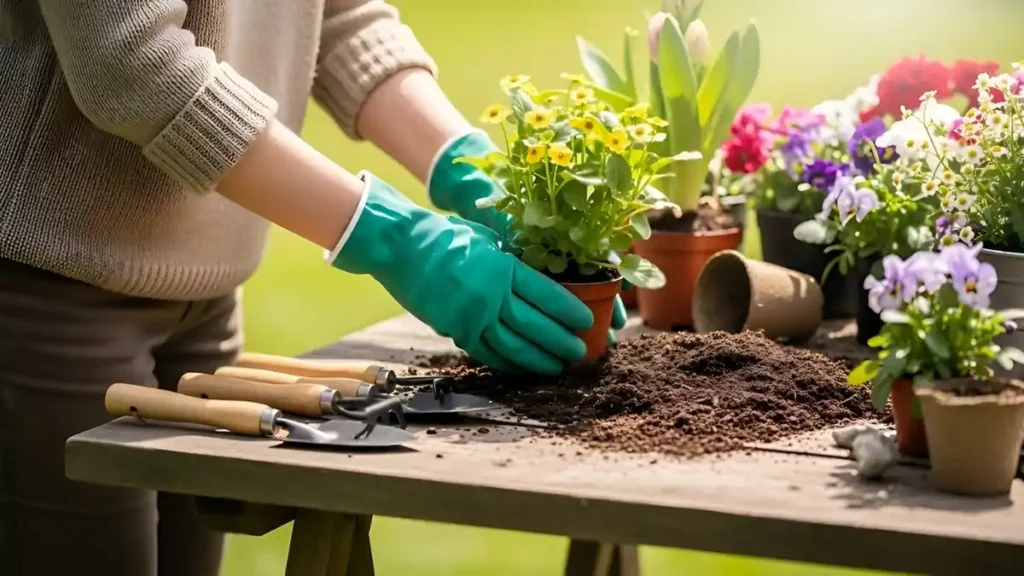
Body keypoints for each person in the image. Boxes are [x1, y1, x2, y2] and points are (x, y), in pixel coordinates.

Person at [0, 1, 625, 575]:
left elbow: (335, 17)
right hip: (54, 294)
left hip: (211, 296)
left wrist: (470, 166)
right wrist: (389, 235)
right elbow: (131, 62)